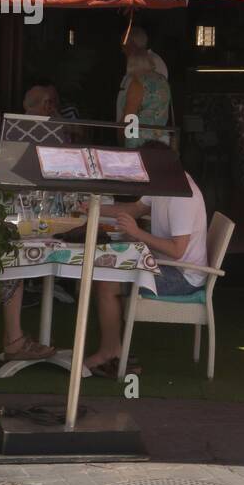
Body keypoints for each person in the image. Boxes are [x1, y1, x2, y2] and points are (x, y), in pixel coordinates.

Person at [85, 139, 208, 376]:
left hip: (183, 275)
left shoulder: (183, 194)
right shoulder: (164, 182)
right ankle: (115, 348)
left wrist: (136, 233)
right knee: (108, 270)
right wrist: (94, 207)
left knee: (108, 282)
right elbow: (134, 210)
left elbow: (177, 251)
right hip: (167, 264)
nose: (137, 171)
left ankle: (110, 353)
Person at [115, 25, 168, 124]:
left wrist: (124, 129)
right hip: (132, 131)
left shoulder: (153, 62)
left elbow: (154, 101)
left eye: (124, 45)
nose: (122, 50)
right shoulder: (135, 64)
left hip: (141, 132)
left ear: (133, 44)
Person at [120, 51, 171, 147]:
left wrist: (120, 135)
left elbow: (130, 116)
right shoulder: (163, 80)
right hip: (161, 136)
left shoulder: (138, 82)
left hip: (139, 138)